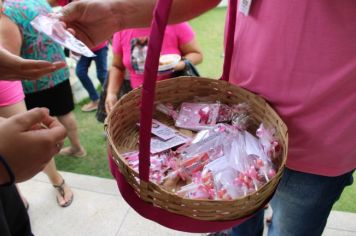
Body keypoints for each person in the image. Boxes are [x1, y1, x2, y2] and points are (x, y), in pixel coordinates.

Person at [60, 0, 356, 236]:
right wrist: (116, 13)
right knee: (235, 222)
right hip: (236, 119)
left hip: (321, 140)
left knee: (291, 230)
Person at [0, 0, 86, 208]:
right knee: (62, 115)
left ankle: (58, 180)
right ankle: (76, 149)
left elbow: (9, 62)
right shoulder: (39, 2)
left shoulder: (8, 12)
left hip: (35, 79)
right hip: (56, 69)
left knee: (35, 131)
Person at [104, 23, 202, 114]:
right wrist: (111, 93)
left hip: (177, 99)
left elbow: (197, 55)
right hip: (140, 100)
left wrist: (177, 65)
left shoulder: (175, 22)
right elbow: (117, 66)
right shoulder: (122, 30)